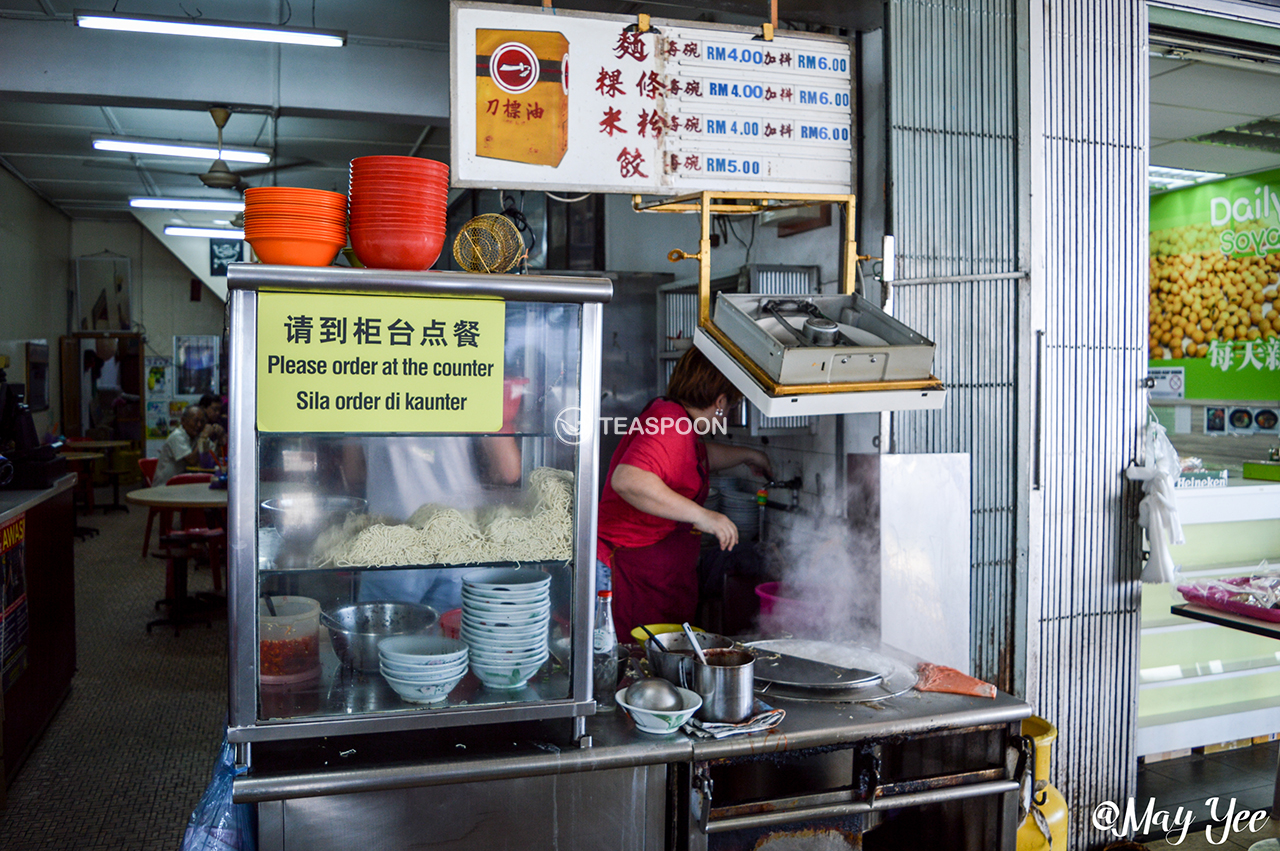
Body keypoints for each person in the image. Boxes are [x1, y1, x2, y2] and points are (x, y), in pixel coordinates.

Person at [597, 347, 772, 642]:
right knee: (636, 666)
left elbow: (696, 458)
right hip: (631, 572)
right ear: (719, 401)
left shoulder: (675, 420)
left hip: (652, 572)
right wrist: (704, 516)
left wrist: (749, 456)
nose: (726, 416)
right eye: (729, 407)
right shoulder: (671, 424)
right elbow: (628, 480)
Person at [153, 405, 219, 485]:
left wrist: (219, 437)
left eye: (202, 422)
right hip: (165, 488)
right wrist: (204, 437)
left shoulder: (196, 435)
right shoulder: (177, 436)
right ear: (183, 421)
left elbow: (213, 455)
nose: (199, 425)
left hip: (182, 486)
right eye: (196, 421)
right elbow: (192, 460)